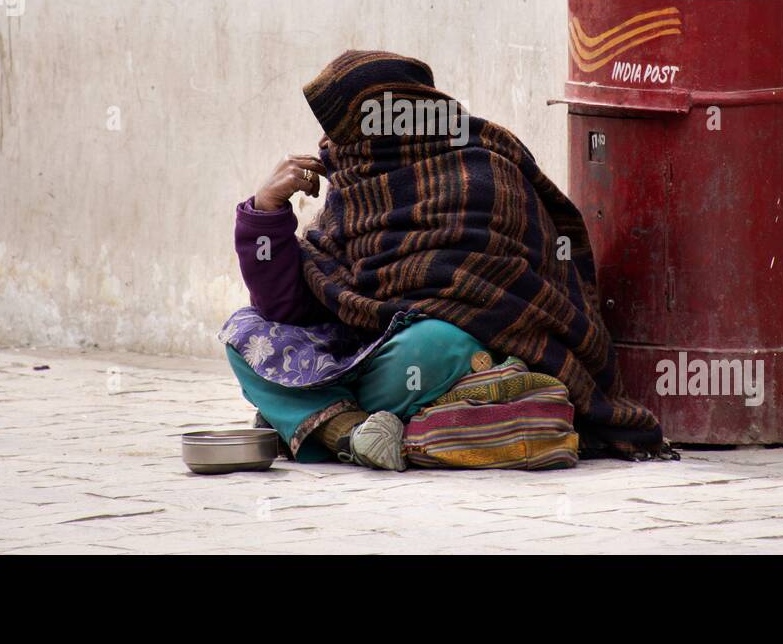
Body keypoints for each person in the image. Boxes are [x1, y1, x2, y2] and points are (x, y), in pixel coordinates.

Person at [220, 50, 665, 471]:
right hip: (360, 356)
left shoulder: (485, 170)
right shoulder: (355, 188)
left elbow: (514, 299)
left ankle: (309, 414)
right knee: (245, 334)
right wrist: (266, 212)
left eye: (343, 130)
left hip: (436, 352)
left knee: (439, 342)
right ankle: (351, 433)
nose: (330, 146)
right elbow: (287, 308)